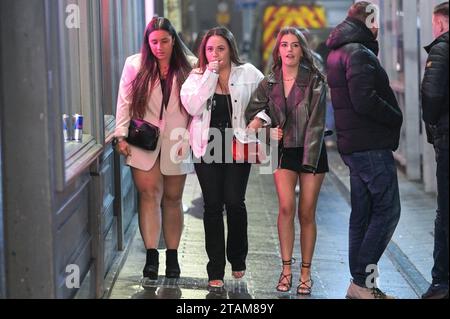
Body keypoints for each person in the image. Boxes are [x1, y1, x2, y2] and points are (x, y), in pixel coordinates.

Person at [326, 2, 403, 299]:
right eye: (376, 20)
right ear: (367, 20)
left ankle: (361, 285)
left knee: (363, 212)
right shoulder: (357, 52)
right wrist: (395, 116)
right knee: (387, 211)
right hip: (370, 145)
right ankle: (361, 283)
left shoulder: (339, 50)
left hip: (353, 145)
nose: (379, 25)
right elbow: (364, 100)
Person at [246, 27, 328, 295]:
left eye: (295, 45)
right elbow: (252, 114)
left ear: (302, 49)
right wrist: (266, 129)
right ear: (278, 50)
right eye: (284, 45)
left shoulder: (315, 80)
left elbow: (316, 125)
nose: (290, 50)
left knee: (306, 212)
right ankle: (286, 270)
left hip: (311, 150)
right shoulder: (269, 83)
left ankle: (305, 272)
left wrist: (307, 162)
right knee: (285, 209)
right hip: (282, 150)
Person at [180, 27, 264, 288]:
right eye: (209, 49)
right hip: (207, 146)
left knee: (235, 202)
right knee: (213, 206)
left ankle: (237, 258)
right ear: (203, 52)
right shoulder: (196, 77)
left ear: (230, 49)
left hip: (238, 144)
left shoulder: (249, 73)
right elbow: (192, 107)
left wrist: (260, 120)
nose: (215, 53)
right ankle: (215, 267)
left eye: (220, 48)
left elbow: (268, 102)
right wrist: (210, 75)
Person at [114, 17, 194, 284]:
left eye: (164, 41)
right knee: (148, 196)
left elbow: (199, 109)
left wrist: (197, 140)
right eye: (154, 42)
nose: (159, 47)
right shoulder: (134, 64)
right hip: (142, 139)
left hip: (178, 141)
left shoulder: (190, 66)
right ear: (148, 43)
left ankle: (172, 257)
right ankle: (151, 258)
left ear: (174, 41)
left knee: (172, 199)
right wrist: (120, 135)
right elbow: (124, 101)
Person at [421, 1, 449, 300]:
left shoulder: (442, 48)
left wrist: (433, 127)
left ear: (440, 23)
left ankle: (441, 282)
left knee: (445, 213)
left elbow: (430, 96)